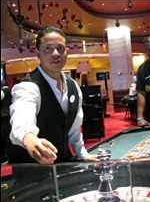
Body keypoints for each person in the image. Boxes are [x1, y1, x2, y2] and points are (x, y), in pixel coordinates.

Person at [9, 26, 99, 164]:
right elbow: (21, 119)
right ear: (38, 53)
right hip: (32, 170)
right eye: (48, 48)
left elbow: (74, 129)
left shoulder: (73, 86)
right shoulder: (28, 86)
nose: (56, 53)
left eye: (60, 48)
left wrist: (81, 153)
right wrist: (29, 138)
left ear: (67, 52)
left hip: (63, 164)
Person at [1, 80, 11, 164]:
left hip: (4, 117)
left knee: (3, 137)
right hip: (7, 116)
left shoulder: (5, 90)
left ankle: (4, 157)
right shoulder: (8, 90)